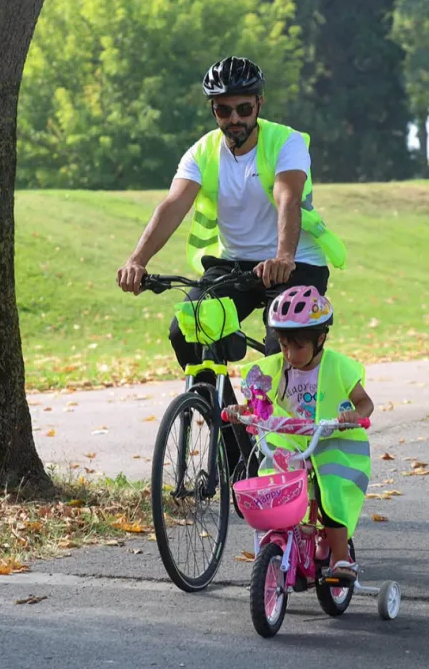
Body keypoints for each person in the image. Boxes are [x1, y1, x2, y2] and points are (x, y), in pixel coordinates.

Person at [116, 56, 348, 477]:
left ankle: (292, 457)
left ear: (259, 104)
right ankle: (238, 451)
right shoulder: (202, 152)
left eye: (244, 108)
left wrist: (283, 256)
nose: (234, 118)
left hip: (296, 264)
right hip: (234, 265)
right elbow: (172, 205)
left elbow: (287, 198)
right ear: (214, 110)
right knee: (186, 332)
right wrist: (137, 261)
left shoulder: (287, 142)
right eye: (224, 110)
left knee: (287, 351)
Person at [244, 285, 374, 581]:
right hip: (291, 445)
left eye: (298, 346)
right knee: (280, 494)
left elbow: (365, 403)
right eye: (283, 345)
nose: (289, 354)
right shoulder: (274, 369)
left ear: (320, 338)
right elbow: (255, 399)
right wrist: (244, 409)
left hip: (332, 444)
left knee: (330, 493)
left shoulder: (338, 367)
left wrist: (355, 415)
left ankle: (342, 559)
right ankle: (295, 545)